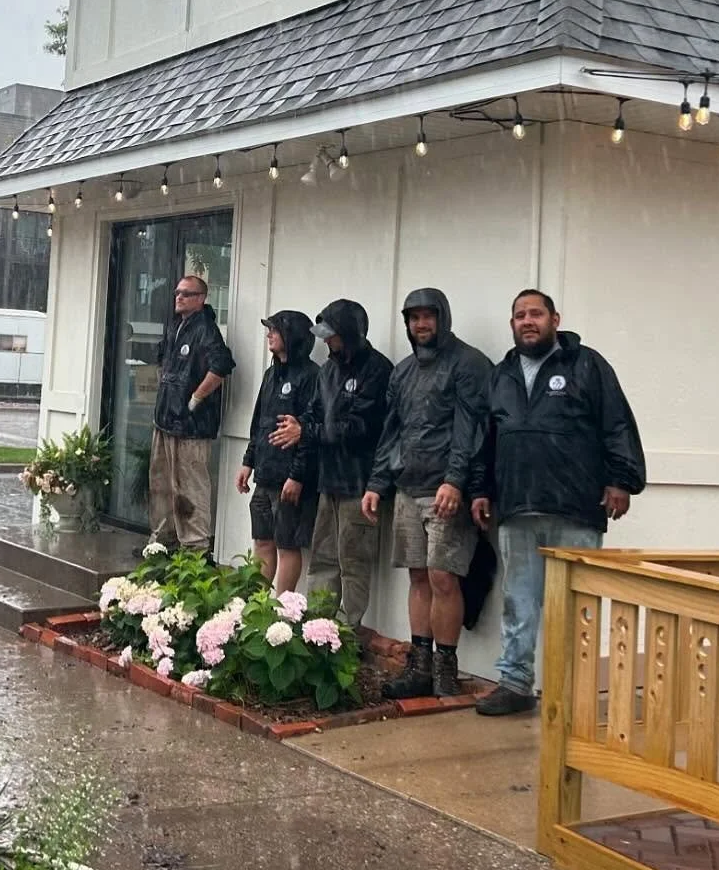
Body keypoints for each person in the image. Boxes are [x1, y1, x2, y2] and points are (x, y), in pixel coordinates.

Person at [472, 289, 646, 715]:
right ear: (511, 324)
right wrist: (479, 488)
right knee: (519, 601)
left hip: (576, 507)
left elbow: (617, 423)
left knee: (576, 604)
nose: (527, 321)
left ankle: (574, 691)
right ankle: (515, 683)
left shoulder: (587, 365)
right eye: (519, 316)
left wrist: (621, 479)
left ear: (555, 319)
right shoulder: (502, 375)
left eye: (535, 314)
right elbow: (484, 438)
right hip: (517, 507)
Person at [362, 288, 490, 699]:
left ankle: (445, 670)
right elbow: (391, 431)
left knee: (443, 578)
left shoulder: (468, 364)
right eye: (414, 317)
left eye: (428, 316)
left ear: (442, 318)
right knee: (417, 576)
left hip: (446, 491)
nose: (421, 324)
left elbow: (473, 430)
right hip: (405, 488)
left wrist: (456, 481)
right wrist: (377, 484)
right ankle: (419, 667)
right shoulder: (401, 372)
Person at [268, 299, 392, 631]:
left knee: (353, 561)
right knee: (323, 559)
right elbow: (312, 414)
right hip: (328, 480)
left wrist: (306, 430)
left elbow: (360, 428)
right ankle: (318, 628)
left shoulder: (378, 370)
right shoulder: (329, 370)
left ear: (350, 333)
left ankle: (348, 632)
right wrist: (300, 427)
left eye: (332, 336)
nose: (326, 342)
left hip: (360, 484)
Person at [149, 275, 235, 554]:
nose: (179, 297)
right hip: (165, 420)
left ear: (201, 298)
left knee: (190, 485)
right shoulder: (176, 327)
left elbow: (221, 366)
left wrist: (195, 398)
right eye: (177, 292)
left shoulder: (206, 330)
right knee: (161, 483)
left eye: (187, 293)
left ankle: (195, 548)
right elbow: (163, 363)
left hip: (192, 426)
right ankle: (163, 541)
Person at [236, 311, 319, 593]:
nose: (269, 334)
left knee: (287, 544)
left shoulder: (311, 376)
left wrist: (297, 475)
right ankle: (258, 604)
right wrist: (248, 461)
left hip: (290, 479)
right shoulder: (271, 373)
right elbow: (260, 420)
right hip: (265, 474)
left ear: (292, 335)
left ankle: (283, 610)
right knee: (262, 540)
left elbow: (309, 431)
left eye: (275, 329)